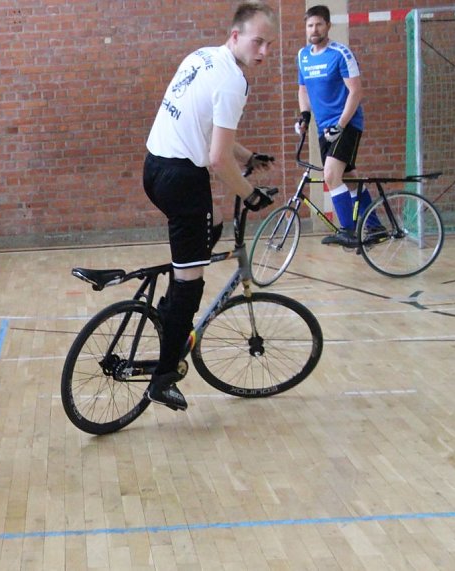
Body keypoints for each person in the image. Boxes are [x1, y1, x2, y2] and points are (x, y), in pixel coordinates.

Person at [142, 1, 278, 411]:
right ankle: (163, 377)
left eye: (269, 44)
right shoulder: (234, 81)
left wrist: (248, 157)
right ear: (235, 36)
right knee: (191, 282)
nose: (264, 52)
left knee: (211, 225)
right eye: (258, 41)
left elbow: (210, 128)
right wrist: (251, 195)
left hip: (154, 166)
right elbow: (217, 160)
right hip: (183, 180)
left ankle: (173, 309)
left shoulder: (201, 56)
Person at [295, 5, 372, 247]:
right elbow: (303, 89)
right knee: (348, 178)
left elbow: (356, 91)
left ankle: (347, 231)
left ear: (328, 26)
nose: (314, 29)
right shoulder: (303, 56)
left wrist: (340, 125)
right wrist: (304, 117)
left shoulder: (341, 53)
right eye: (310, 25)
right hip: (323, 128)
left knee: (330, 175)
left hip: (346, 124)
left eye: (319, 24)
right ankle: (375, 225)